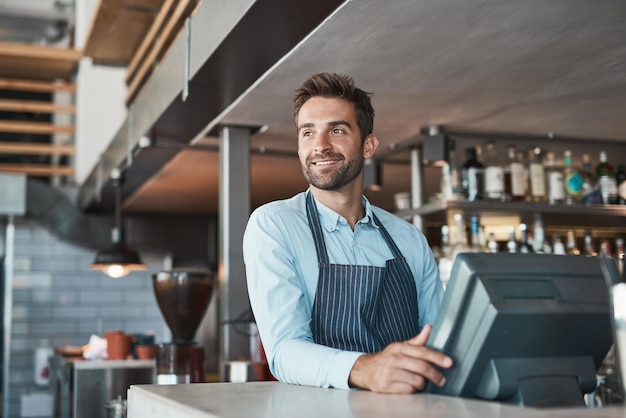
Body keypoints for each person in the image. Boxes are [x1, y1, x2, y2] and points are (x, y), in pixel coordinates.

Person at [243, 72, 452, 394]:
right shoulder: (274, 225)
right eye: (308, 133)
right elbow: (284, 352)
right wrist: (366, 369)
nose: (320, 146)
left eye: (337, 130)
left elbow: (438, 340)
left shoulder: (408, 239)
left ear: (368, 145)